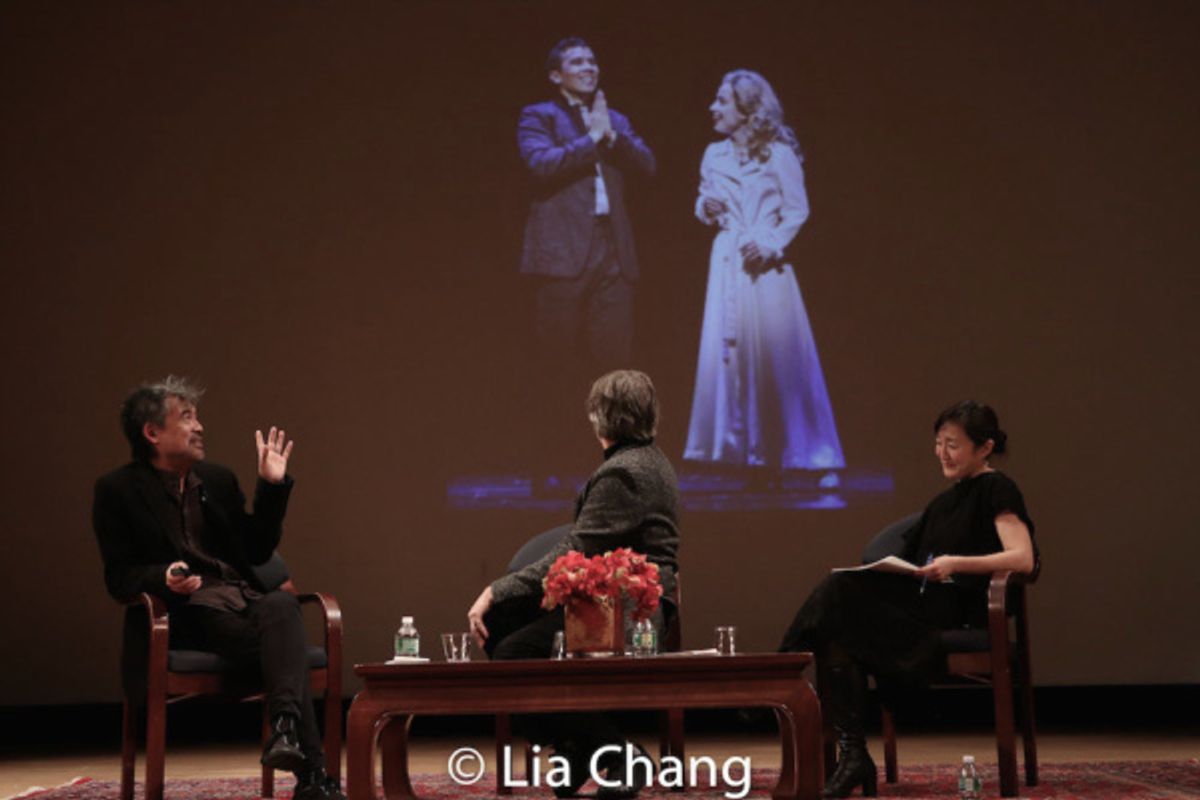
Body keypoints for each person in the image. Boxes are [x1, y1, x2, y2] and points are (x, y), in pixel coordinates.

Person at [91, 377, 344, 800]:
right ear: (152, 433)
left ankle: (283, 730)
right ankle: (314, 778)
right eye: (187, 418)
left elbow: (258, 549)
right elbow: (118, 577)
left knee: (282, 605)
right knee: (288, 643)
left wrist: (272, 486)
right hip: (189, 613)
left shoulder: (217, 480)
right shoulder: (117, 490)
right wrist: (162, 577)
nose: (200, 427)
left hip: (244, 604)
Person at [779, 401, 1038, 797]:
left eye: (952, 444)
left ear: (984, 448)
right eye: (938, 443)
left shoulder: (997, 488)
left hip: (961, 613)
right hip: (925, 607)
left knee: (835, 594)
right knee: (836, 631)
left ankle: (783, 667)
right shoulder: (943, 502)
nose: (942, 453)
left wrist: (957, 563)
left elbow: (1023, 557)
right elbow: (913, 562)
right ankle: (854, 757)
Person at [467, 370, 680, 799]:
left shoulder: (623, 474)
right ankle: (576, 746)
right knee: (507, 622)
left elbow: (574, 552)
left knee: (510, 653)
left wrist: (495, 589)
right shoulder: (650, 460)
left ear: (601, 419)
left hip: (629, 611)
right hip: (612, 601)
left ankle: (614, 752)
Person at [683, 70, 844, 480]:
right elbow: (703, 199)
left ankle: (803, 452)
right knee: (730, 354)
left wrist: (771, 241)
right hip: (727, 261)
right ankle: (740, 453)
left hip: (764, 264)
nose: (713, 108)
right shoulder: (713, 154)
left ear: (747, 109)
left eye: (722, 101)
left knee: (779, 356)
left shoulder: (778, 154)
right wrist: (708, 206)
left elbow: (797, 209)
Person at [518, 38, 656, 486]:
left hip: (612, 251)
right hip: (561, 255)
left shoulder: (612, 118)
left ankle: (615, 467)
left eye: (593, 59)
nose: (589, 67)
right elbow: (540, 164)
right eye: (577, 61)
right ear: (556, 74)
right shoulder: (539, 115)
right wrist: (591, 139)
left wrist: (611, 135)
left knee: (614, 368)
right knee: (555, 362)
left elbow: (648, 167)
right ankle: (545, 464)